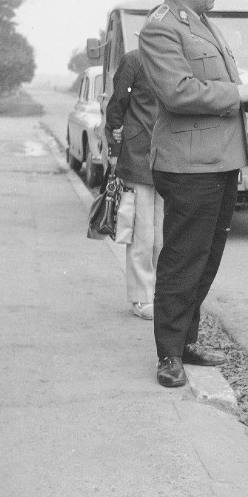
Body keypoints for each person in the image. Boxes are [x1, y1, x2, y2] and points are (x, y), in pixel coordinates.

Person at [138, 0, 248, 388]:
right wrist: (239, 93)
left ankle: (187, 340)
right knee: (183, 258)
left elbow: (222, 84)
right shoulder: (160, 27)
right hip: (188, 164)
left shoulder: (202, 22)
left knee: (207, 257)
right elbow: (178, 92)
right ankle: (168, 356)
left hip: (220, 160)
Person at [104, 49, 163, 320]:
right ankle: (141, 297)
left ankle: (159, 294)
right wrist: (115, 148)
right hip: (138, 157)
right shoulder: (134, 60)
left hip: (168, 158)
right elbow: (116, 106)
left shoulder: (174, 59)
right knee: (143, 234)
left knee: (162, 236)